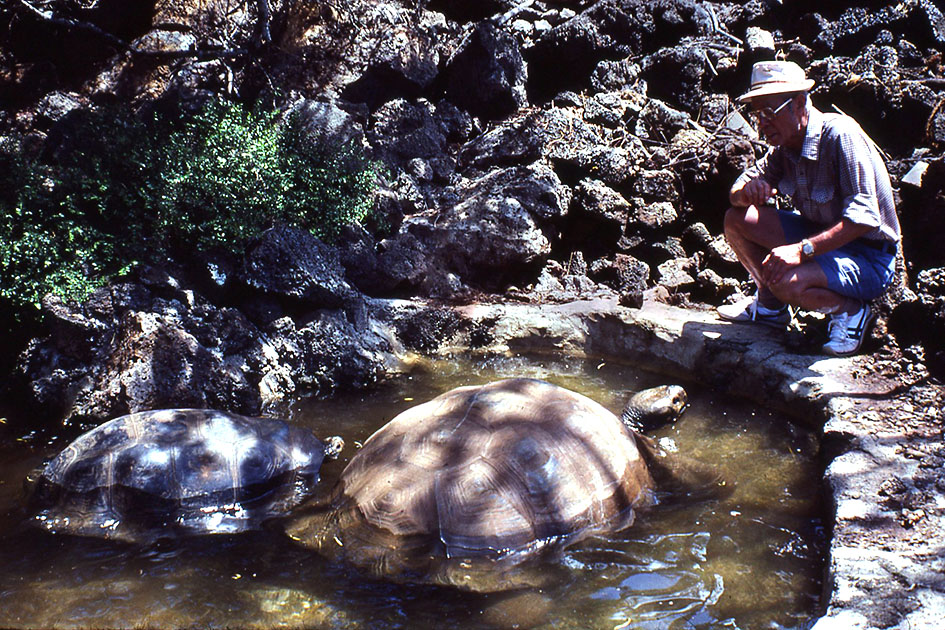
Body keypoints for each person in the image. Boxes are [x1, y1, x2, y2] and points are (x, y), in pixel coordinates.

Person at [717, 60, 901, 356]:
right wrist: (745, 193)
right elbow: (736, 193)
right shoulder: (785, 148)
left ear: (799, 103)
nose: (762, 123)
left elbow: (864, 219)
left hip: (870, 258)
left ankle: (852, 312)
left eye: (769, 113)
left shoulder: (841, 136)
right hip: (824, 242)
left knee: (785, 281)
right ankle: (770, 308)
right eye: (757, 116)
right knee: (736, 220)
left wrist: (801, 251)